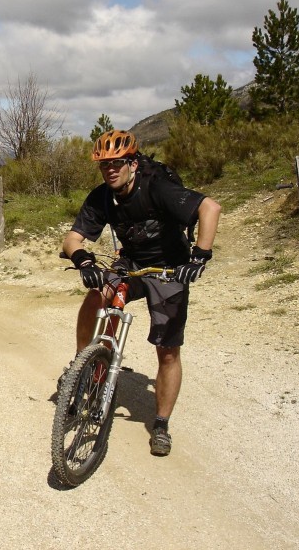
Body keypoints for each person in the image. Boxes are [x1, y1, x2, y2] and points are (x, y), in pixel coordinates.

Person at [61, 129, 221, 456]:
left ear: (132, 162)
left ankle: (161, 423)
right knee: (97, 293)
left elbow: (210, 208)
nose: (110, 170)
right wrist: (84, 259)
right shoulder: (102, 196)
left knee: (167, 349)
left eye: (117, 163)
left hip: (168, 269)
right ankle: (82, 364)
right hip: (131, 265)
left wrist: (199, 258)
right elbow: (72, 239)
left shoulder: (157, 187)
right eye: (104, 165)